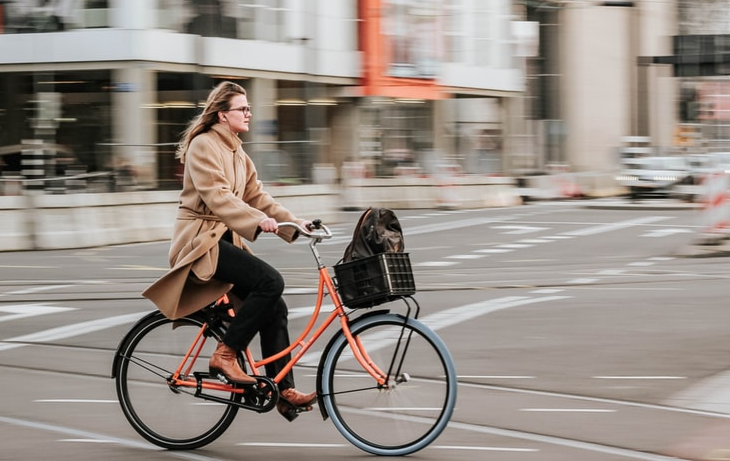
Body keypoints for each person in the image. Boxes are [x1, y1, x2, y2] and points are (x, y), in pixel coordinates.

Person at [142, 81, 316, 420]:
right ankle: (225, 355)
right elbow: (219, 197)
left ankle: (283, 390)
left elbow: (258, 197)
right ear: (223, 115)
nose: (249, 113)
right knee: (270, 281)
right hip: (200, 241)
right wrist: (257, 221)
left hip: (223, 241)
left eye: (249, 108)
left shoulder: (238, 152)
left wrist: (296, 223)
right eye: (243, 108)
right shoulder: (203, 146)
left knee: (275, 307)